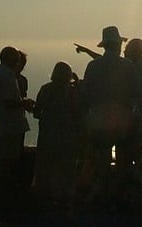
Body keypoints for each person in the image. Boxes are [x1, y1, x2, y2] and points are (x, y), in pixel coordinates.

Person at [80, 26, 141, 204]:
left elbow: (85, 94)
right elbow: (136, 94)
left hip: (98, 121)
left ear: (105, 45)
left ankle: (103, 196)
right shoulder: (128, 66)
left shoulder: (93, 66)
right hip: (123, 122)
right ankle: (119, 196)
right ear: (118, 45)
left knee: (102, 162)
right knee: (122, 161)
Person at [33, 61, 80, 208]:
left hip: (47, 132)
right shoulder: (71, 92)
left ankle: (43, 194)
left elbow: (36, 113)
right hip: (67, 133)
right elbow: (76, 113)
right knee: (66, 166)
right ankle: (64, 196)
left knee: (45, 164)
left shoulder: (45, 89)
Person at [0, 46, 34, 184]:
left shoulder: (0, 74)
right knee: (8, 156)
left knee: (3, 153)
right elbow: (9, 101)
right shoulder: (6, 76)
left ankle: (0, 182)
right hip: (9, 123)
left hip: (5, 122)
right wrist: (25, 104)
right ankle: (3, 184)